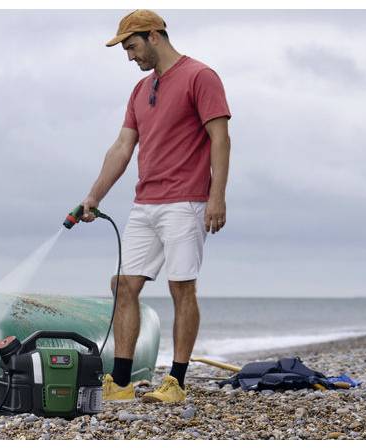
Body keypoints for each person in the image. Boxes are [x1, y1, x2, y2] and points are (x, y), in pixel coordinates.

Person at [82, 9, 231, 403]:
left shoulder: (201, 77)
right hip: (145, 203)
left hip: (187, 201)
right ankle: (122, 382)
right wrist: (94, 196)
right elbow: (122, 147)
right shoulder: (139, 91)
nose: (130, 57)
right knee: (123, 286)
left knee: (182, 287)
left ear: (154, 36)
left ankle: (177, 384)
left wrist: (217, 196)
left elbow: (220, 138)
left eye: (132, 47)